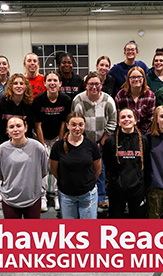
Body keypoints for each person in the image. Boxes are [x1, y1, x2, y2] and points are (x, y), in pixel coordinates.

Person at [71, 71, 117, 208]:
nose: (94, 87)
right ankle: (83, 195)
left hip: (102, 141)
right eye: (91, 84)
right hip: (83, 141)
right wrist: (84, 142)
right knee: (83, 169)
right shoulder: (78, 100)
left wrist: (101, 142)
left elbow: (112, 122)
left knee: (100, 169)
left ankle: (101, 197)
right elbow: (76, 121)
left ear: (101, 85)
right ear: (86, 85)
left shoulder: (108, 100)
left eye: (97, 84)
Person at [0, 116, 48, 219]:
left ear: (25, 128)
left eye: (19, 126)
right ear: (7, 130)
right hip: (10, 201)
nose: (15, 129)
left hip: (33, 199)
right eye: (11, 127)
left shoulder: (38, 148)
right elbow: (0, 175)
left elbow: (43, 172)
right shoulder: (0, 151)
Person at [49, 112, 102, 219]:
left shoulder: (91, 145)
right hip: (66, 195)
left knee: (88, 232)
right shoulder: (58, 146)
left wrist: (87, 183)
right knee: (70, 231)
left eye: (80, 124)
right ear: (67, 125)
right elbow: (54, 170)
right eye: (73, 125)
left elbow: (97, 170)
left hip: (88, 195)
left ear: (84, 125)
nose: (77, 128)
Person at [32, 71, 72, 212]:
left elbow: (63, 123)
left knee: (58, 164)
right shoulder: (38, 100)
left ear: (60, 83)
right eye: (49, 80)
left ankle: (56, 194)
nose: (52, 83)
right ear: (44, 83)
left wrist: (60, 143)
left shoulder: (66, 100)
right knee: (42, 164)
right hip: (42, 135)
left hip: (57, 136)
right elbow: (38, 125)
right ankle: (42, 195)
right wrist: (42, 145)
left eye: (55, 80)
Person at [103, 108, 149, 218]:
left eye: (129, 117)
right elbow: (107, 164)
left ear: (135, 120)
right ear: (118, 122)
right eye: (123, 117)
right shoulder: (110, 141)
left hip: (137, 190)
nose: (126, 119)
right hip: (117, 190)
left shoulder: (143, 140)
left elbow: (146, 164)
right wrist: (113, 183)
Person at [0, 73, 34, 146]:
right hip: (2, 144)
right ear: (10, 86)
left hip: (23, 144)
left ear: (26, 87)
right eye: (15, 83)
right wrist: (5, 145)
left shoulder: (29, 105)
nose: (19, 86)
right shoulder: (0, 104)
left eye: (21, 84)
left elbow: (30, 129)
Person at [115, 66, 156, 135]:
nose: (136, 79)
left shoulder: (150, 96)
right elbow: (117, 116)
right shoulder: (120, 95)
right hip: (124, 133)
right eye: (133, 77)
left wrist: (139, 134)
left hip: (144, 134)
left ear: (143, 79)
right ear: (128, 79)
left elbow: (150, 119)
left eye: (139, 77)